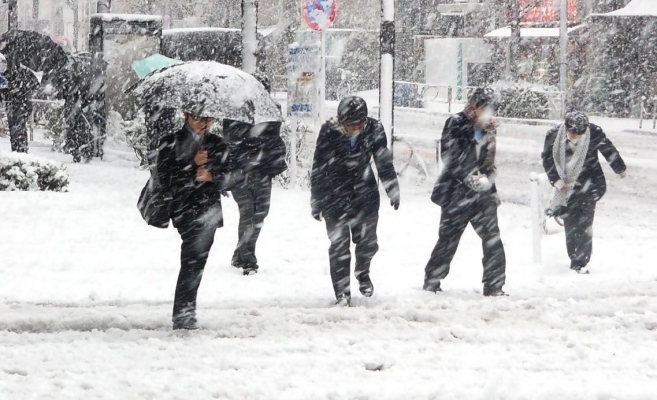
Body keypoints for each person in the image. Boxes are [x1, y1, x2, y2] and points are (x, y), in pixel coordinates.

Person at [311, 96, 400, 306]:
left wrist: (392, 189)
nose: (353, 128)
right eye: (348, 124)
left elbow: (383, 161)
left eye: (357, 124)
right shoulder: (329, 130)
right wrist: (316, 199)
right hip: (335, 194)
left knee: (367, 243)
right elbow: (319, 166)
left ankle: (363, 271)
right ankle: (342, 293)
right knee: (339, 246)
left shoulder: (374, 129)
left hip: (364, 193)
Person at [424, 87, 507, 297]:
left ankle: (494, 285)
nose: (490, 115)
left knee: (493, 239)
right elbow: (448, 155)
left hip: (483, 195)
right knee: (448, 239)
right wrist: (467, 177)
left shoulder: (489, 128)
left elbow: (488, 161)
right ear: (475, 105)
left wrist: (488, 179)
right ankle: (432, 281)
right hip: (456, 193)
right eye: (486, 109)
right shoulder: (456, 122)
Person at [155, 110, 233, 330]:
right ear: (187, 116)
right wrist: (190, 163)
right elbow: (165, 177)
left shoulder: (217, 144)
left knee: (196, 262)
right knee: (192, 260)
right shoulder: (171, 142)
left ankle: (185, 310)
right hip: (184, 209)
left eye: (209, 118)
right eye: (198, 118)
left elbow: (231, 177)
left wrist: (213, 176)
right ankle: (183, 312)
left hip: (209, 211)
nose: (203, 123)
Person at [541, 111, 627, 274]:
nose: (575, 136)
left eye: (579, 133)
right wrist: (557, 180)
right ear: (566, 127)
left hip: (590, 184)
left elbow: (608, 149)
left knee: (585, 223)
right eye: (572, 132)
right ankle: (574, 257)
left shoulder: (593, 132)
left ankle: (581, 261)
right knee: (571, 224)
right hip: (566, 187)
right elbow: (547, 158)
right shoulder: (553, 135)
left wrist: (620, 168)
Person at [223, 72, 287, 276]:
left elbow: (274, 138)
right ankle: (249, 260)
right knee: (248, 212)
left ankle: (240, 252)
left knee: (260, 214)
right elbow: (230, 141)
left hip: (263, 170)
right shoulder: (233, 110)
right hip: (240, 170)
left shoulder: (273, 110)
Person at [3, 60, 39, 153]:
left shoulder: (23, 72)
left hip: (20, 104)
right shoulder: (8, 74)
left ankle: (21, 150)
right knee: (14, 129)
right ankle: (17, 149)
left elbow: (34, 84)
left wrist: (20, 90)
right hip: (14, 105)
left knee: (19, 129)